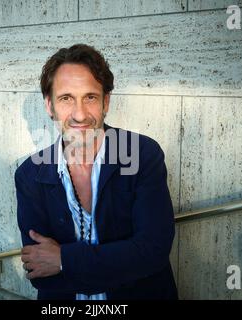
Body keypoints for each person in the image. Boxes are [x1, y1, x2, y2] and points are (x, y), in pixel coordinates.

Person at [15, 44, 178, 300]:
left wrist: (64, 259)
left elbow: (152, 252)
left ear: (106, 102)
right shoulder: (29, 174)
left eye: (89, 97)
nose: (79, 114)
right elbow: (40, 270)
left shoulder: (143, 154)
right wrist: (120, 260)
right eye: (66, 98)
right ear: (49, 105)